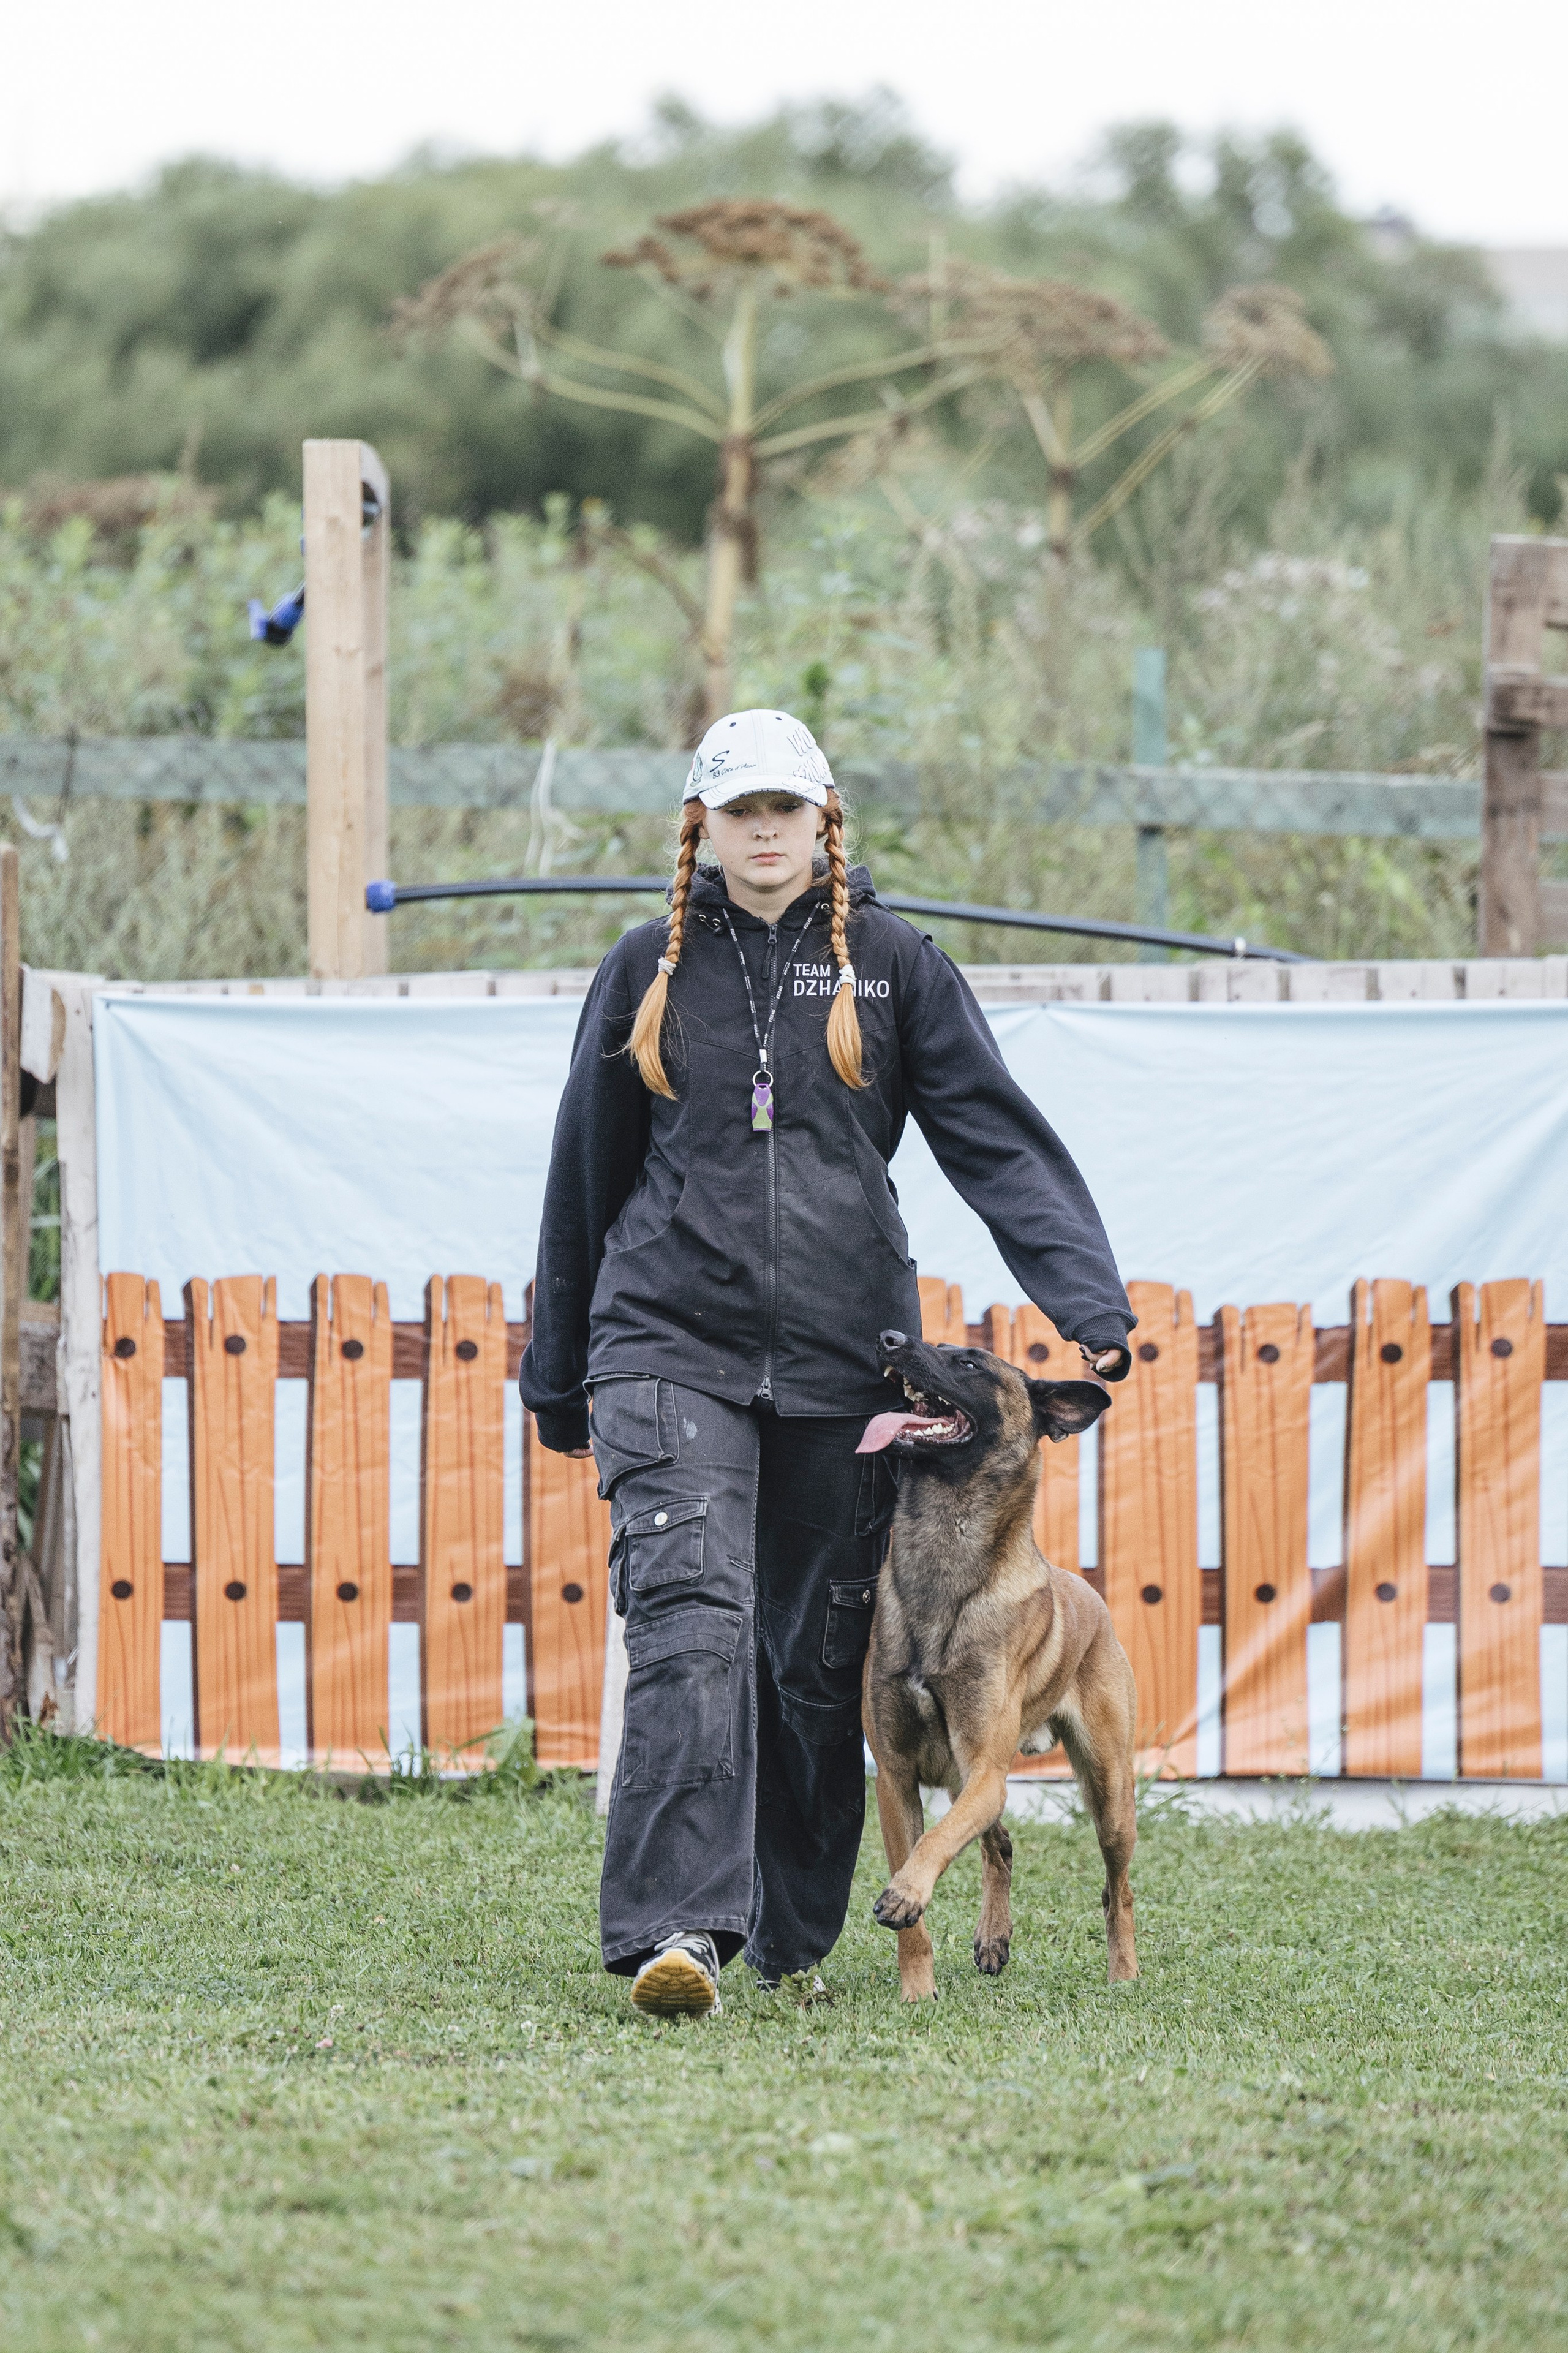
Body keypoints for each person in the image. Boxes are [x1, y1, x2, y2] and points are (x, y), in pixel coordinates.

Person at [520, 708, 1133, 2018]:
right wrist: (559, 1366)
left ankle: (791, 1929)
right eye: (735, 808)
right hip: (664, 1342)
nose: (760, 830)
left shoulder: (893, 967)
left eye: (782, 809)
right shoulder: (647, 966)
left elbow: (994, 1140)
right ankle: (678, 1930)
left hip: (847, 1360)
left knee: (811, 1656)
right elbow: (583, 1172)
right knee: (691, 1619)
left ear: (822, 819)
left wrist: (1083, 1296)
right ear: (701, 824)